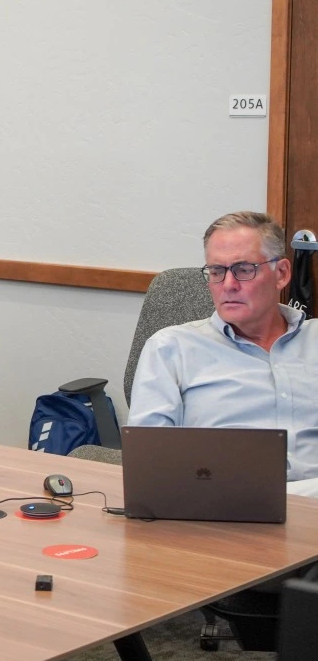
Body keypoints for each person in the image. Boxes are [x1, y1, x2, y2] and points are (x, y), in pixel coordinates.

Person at [127, 211, 318, 496]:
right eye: (217, 271)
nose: (228, 285)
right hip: (224, 505)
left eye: (244, 269)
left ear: (281, 274)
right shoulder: (172, 348)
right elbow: (149, 466)